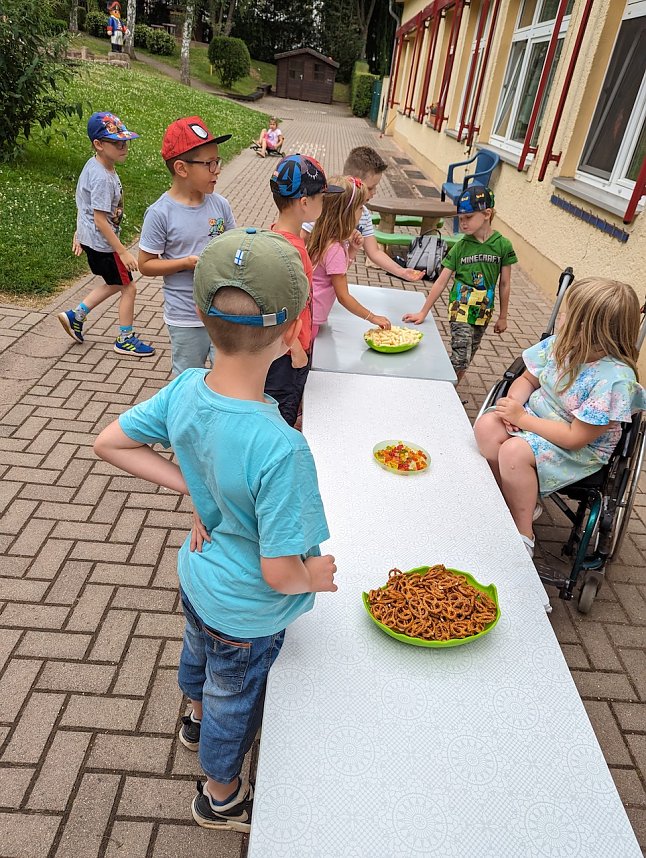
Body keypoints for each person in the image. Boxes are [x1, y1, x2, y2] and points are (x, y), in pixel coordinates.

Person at [94, 227, 337, 832]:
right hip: (246, 612)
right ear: (289, 336)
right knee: (237, 696)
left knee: (197, 654)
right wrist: (320, 575)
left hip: (198, 575)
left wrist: (191, 487)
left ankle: (193, 717)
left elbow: (110, 442)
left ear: (202, 318)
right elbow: (279, 571)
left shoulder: (182, 391)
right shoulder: (282, 450)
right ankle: (220, 794)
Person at [474, 277, 646, 558]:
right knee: (487, 427)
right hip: (535, 419)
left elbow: (574, 438)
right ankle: (514, 496)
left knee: (514, 450)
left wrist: (524, 420)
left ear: (590, 330)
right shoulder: (561, 345)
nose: (561, 317)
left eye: (569, 314)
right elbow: (528, 379)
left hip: (577, 448)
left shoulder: (613, 380)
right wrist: (514, 405)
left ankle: (523, 531)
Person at [138, 116, 235, 376]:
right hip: (185, 318)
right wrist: (185, 263)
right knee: (186, 380)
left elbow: (233, 245)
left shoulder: (220, 205)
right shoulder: (160, 213)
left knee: (226, 377)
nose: (217, 169)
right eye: (209, 164)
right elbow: (145, 265)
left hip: (221, 313)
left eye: (218, 161)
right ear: (181, 168)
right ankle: (183, 417)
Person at [58, 112, 155, 357]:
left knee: (115, 282)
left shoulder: (97, 165)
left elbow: (84, 203)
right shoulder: (101, 177)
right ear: (98, 145)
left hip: (94, 240)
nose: (124, 147)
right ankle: (125, 339)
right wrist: (122, 251)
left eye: (126, 142)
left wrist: (79, 231)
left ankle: (75, 316)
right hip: (104, 244)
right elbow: (100, 220)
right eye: (117, 143)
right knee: (128, 288)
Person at [403, 185, 516, 383]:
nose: (463, 224)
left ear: (487, 213)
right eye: (460, 219)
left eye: (468, 218)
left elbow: (505, 284)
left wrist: (503, 316)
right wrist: (423, 312)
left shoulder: (503, 245)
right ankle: (442, 390)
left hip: (483, 310)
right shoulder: (461, 247)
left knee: (468, 356)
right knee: (461, 357)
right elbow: (441, 281)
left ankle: (451, 389)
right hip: (460, 307)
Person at [265, 154, 342, 426]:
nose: (324, 203)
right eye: (322, 198)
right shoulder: (293, 251)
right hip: (287, 356)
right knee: (280, 418)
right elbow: (279, 307)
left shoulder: (276, 235)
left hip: (283, 352)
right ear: (305, 203)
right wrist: (296, 349)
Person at [304, 146, 424, 283]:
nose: (374, 192)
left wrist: (401, 272)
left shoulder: (364, 214)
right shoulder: (324, 208)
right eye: (371, 187)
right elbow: (301, 240)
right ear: (352, 183)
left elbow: (374, 252)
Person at [308, 175, 391, 338]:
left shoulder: (323, 237)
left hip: (309, 314)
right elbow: (343, 296)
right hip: (312, 319)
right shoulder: (335, 249)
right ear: (345, 213)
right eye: (360, 208)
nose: (363, 212)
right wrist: (372, 317)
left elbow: (333, 272)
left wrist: (352, 250)